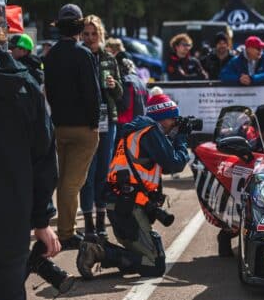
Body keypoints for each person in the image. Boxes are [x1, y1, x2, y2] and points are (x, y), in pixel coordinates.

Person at [0, 0, 59, 300]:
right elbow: (45, 157)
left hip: (10, 219)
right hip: (9, 222)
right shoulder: (26, 83)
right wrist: (40, 219)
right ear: (2, 28)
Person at [76, 92, 190, 279]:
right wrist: (182, 139)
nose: (175, 124)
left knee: (153, 258)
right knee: (154, 266)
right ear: (162, 117)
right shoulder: (149, 131)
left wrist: (174, 137)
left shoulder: (139, 130)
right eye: (173, 119)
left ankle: (102, 251)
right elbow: (174, 164)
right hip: (127, 207)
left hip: (124, 204)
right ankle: (97, 250)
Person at [44, 4, 101, 250]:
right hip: (82, 128)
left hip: (59, 126)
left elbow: (50, 92)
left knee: (64, 181)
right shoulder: (83, 54)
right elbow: (93, 92)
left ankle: (66, 229)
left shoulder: (52, 55)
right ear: (79, 27)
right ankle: (66, 233)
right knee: (72, 183)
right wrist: (94, 123)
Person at [78, 15, 124, 242]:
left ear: (101, 35)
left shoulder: (109, 58)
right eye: (85, 34)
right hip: (85, 123)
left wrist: (114, 86)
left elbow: (120, 94)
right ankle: (87, 225)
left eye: (93, 34)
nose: (89, 38)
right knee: (87, 173)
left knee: (103, 174)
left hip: (108, 121)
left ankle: (100, 223)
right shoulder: (79, 57)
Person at [116, 57, 148, 126]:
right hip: (141, 121)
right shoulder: (142, 82)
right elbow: (147, 102)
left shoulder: (126, 81)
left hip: (127, 123)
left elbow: (125, 105)